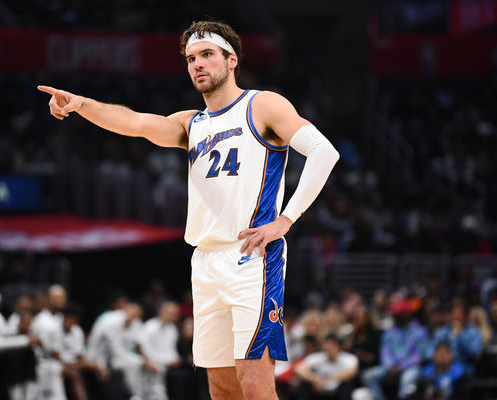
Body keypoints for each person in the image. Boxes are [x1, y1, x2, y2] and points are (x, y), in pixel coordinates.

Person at [39, 20, 339, 399]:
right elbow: (134, 123)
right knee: (221, 388)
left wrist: (285, 219)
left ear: (232, 61)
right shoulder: (191, 123)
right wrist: (82, 105)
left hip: (252, 258)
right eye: (191, 58)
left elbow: (324, 152)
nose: (197, 64)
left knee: (254, 384)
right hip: (205, 261)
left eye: (207, 55)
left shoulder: (261, 104)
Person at [361, 299, 428, 400]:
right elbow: (385, 352)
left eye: (400, 314)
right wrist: (389, 366)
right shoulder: (389, 333)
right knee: (368, 376)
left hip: (411, 367)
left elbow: (420, 355)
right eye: (396, 314)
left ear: (408, 314)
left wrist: (401, 367)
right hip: (390, 368)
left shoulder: (419, 331)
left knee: (407, 378)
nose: (397, 316)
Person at [295, 333, 358, 400]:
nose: (328, 347)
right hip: (319, 389)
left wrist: (327, 379)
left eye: (332, 344)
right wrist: (314, 379)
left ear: (338, 346)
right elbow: (298, 369)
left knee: (348, 383)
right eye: (326, 344)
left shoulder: (348, 358)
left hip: (337, 391)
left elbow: (351, 372)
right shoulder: (318, 357)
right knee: (304, 383)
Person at [425, 302, 482, 374]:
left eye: (458, 316)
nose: (455, 318)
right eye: (453, 314)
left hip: (464, 368)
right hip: (441, 368)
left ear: (466, 317)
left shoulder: (473, 331)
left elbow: (474, 353)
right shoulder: (442, 331)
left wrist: (461, 336)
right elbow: (429, 353)